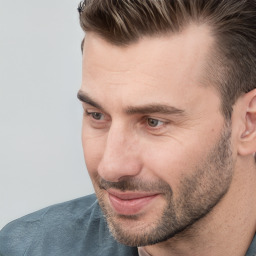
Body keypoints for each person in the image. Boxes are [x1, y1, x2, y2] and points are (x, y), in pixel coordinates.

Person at [1, 0, 256, 255]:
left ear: (248, 123)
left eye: (154, 122)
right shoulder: (24, 248)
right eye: (97, 115)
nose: (110, 168)